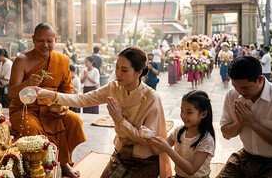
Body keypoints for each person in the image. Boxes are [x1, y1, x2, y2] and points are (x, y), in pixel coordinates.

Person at [34, 47, 172, 178]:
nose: (118, 73)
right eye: (117, 67)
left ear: (139, 72)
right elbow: (82, 100)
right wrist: (49, 94)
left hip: (144, 160)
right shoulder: (114, 87)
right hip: (120, 155)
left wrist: (120, 120)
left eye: (124, 70)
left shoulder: (151, 98)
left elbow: (148, 140)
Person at [8, 23, 85, 178]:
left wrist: (63, 107)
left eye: (49, 41)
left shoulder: (62, 61)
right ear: (33, 40)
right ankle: (39, 168)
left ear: (55, 40)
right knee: (33, 131)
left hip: (52, 108)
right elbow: (11, 93)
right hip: (25, 108)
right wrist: (27, 84)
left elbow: (67, 90)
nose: (45, 45)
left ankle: (64, 161)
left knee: (74, 121)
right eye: (40, 41)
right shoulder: (22, 60)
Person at [217, 56, 272, 177]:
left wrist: (252, 124)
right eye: (236, 86)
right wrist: (240, 122)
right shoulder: (232, 95)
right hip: (247, 156)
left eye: (245, 87)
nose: (240, 91)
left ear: (260, 79)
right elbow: (226, 134)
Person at [147, 90, 215, 177]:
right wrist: (148, 138)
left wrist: (168, 149)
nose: (183, 116)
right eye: (182, 111)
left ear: (203, 114)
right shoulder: (179, 131)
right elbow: (156, 151)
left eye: (189, 112)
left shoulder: (206, 140)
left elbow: (191, 170)